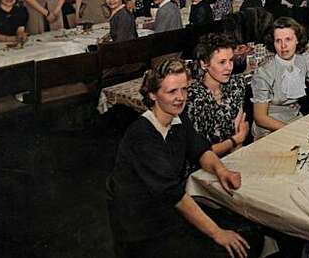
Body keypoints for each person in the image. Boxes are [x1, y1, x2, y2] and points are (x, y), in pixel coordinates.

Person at [110, 58, 262, 258]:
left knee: (251, 233)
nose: (180, 97)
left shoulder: (178, 119)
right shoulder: (142, 135)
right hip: (142, 227)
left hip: (169, 211)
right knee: (227, 248)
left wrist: (221, 170)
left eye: (184, 90)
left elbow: (200, 150)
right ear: (152, 94)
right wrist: (218, 233)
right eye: (172, 91)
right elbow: (173, 194)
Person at [182, 34, 249, 157]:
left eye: (231, 60)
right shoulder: (193, 97)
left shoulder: (237, 84)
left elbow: (239, 128)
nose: (229, 67)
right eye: (222, 62)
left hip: (233, 156)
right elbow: (200, 153)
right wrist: (236, 140)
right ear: (204, 64)